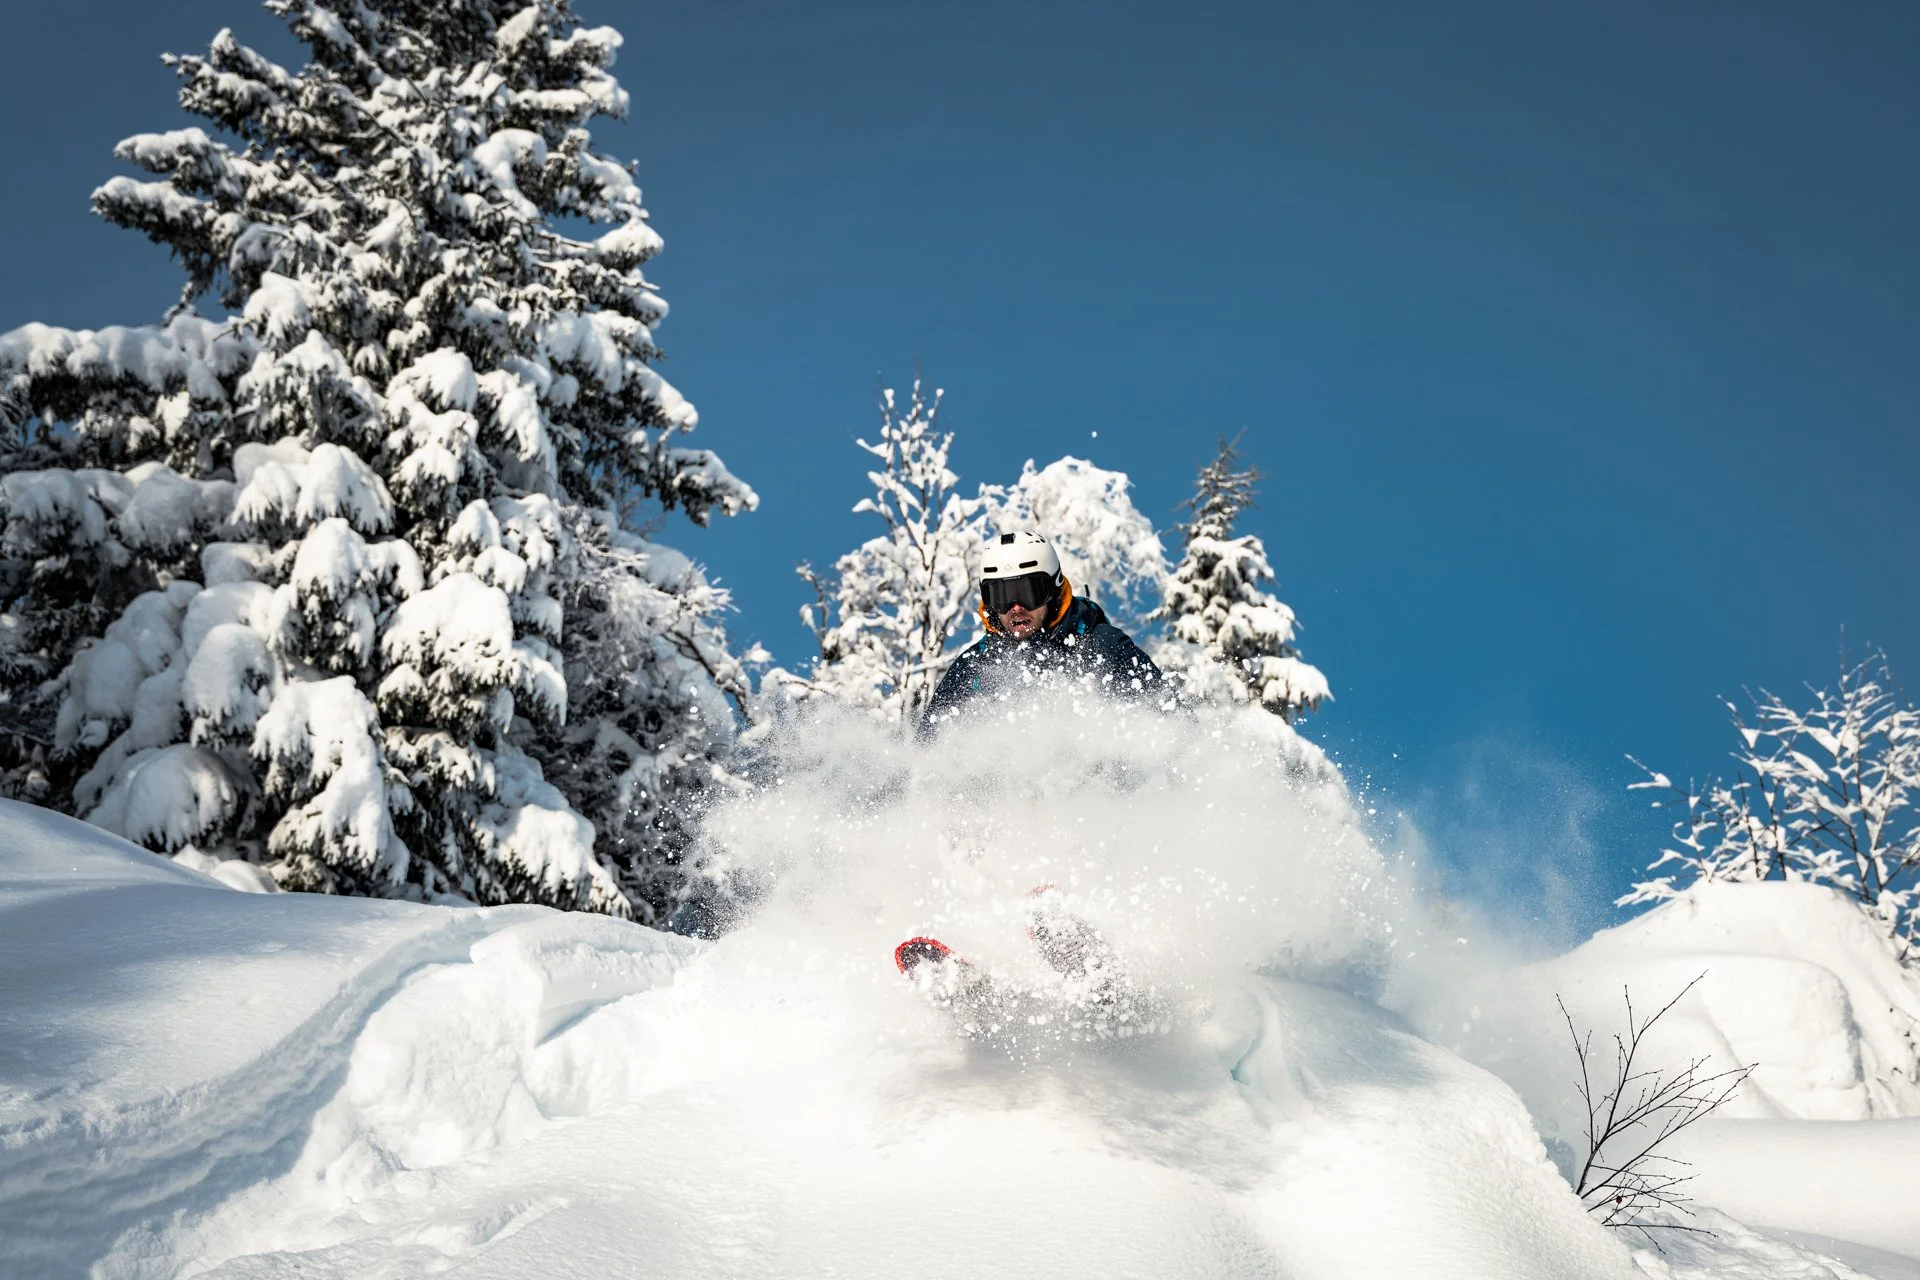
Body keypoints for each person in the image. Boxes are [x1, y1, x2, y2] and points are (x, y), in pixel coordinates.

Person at [921, 530, 1162, 732]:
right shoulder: (974, 668)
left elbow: (1168, 721)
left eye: (1028, 593)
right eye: (1002, 597)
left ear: (1052, 590)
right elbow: (927, 749)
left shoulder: (1102, 647)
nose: (1016, 608)